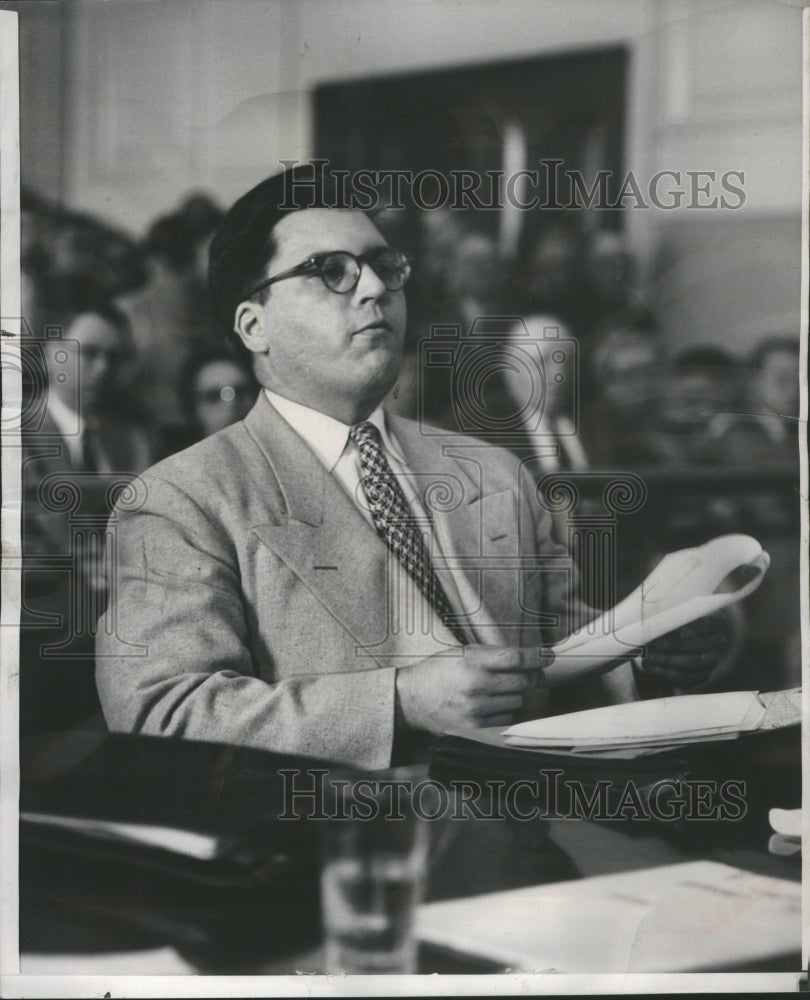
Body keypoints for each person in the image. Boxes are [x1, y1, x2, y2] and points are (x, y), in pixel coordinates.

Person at [95, 166, 731, 769]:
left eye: (383, 266)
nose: (374, 287)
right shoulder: (183, 498)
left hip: (545, 807)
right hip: (345, 839)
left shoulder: (491, 471)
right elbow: (159, 712)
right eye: (330, 271)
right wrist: (399, 701)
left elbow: (555, 640)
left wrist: (642, 660)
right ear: (254, 325)